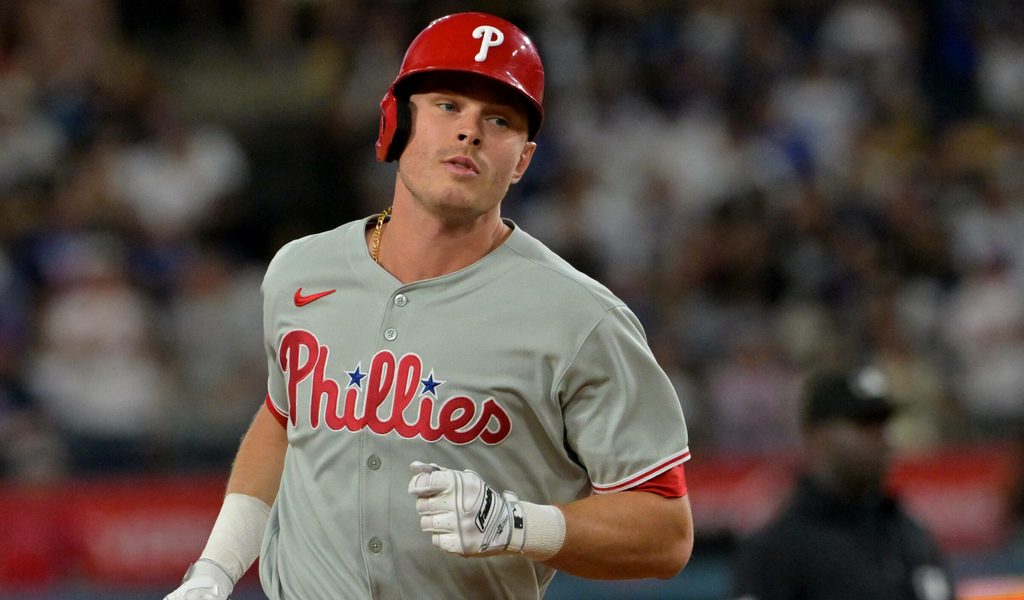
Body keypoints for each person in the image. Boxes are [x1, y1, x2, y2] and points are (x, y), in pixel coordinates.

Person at [166, 12, 693, 600]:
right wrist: (216, 568)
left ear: (522, 160)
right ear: (396, 122)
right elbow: (285, 421)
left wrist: (521, 525)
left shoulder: (582, 317)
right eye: (448, 106)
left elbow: (666, 532)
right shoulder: (301, 269)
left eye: (499, 119)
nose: (470, 132)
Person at [731, 366, 956, 600]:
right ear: (818, 436)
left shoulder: (910, 535)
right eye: (865, 425)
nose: (884, 440)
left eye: (884, 425)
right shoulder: (776, 551)